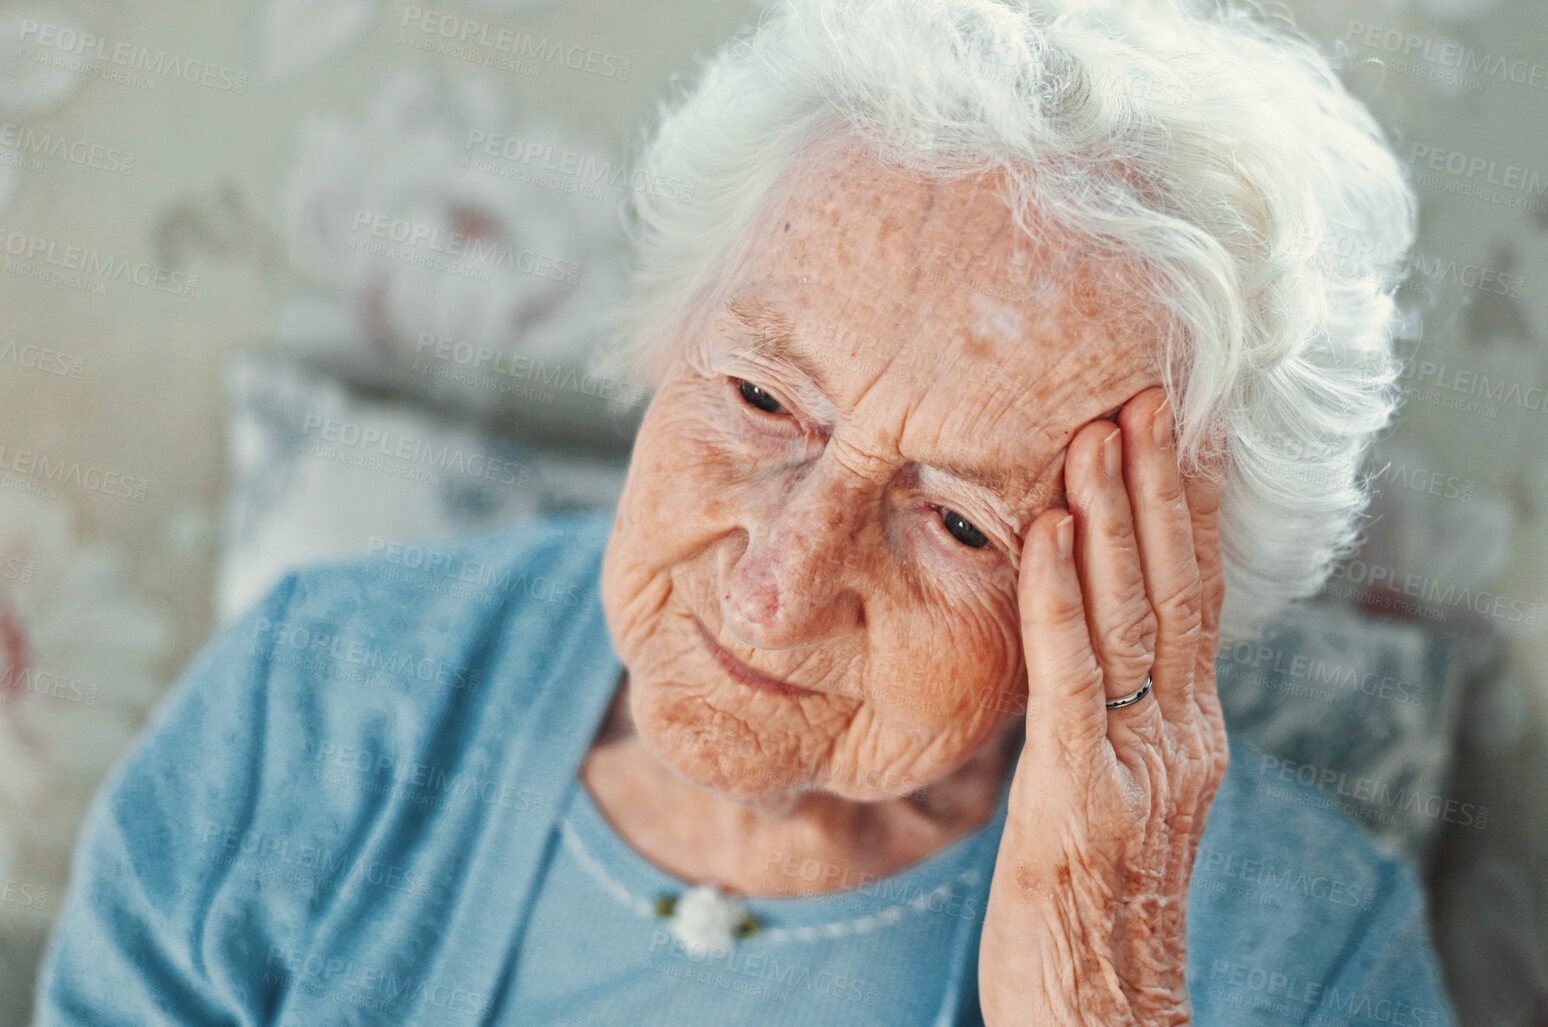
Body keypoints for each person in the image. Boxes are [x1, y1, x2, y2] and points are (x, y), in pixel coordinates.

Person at [38, 0, 1450, 1023]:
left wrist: (1099, 994)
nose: (781, 581)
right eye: (767, 401)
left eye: (958, 523)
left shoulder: (1302, 958)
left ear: (1158, 606)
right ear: (672, 331)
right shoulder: (322, 702)